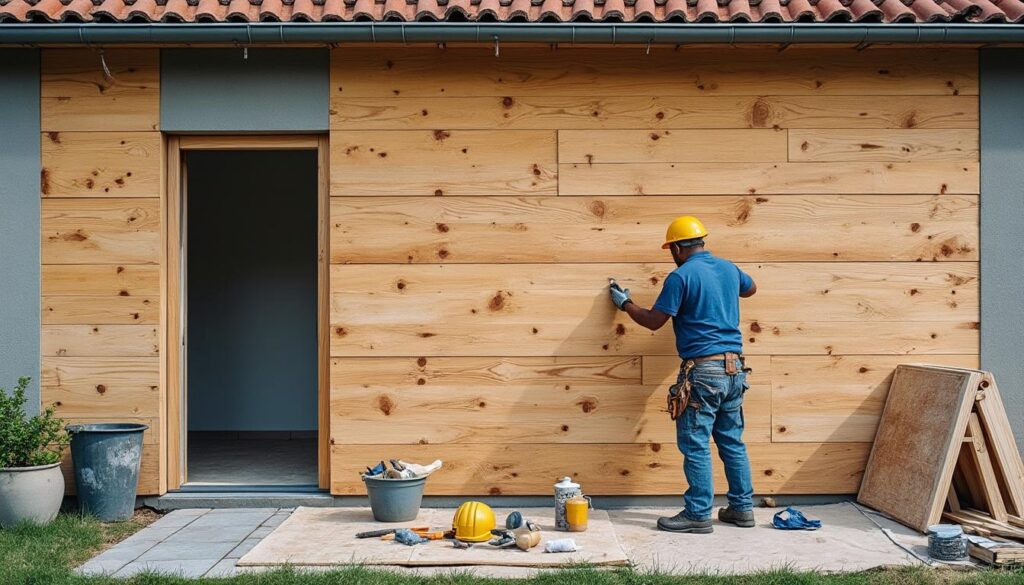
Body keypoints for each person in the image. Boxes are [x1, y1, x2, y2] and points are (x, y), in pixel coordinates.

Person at [609, 215, 757, 534]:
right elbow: (751, 288)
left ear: (676, 248)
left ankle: (698, 514)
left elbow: (652, 321)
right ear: (702, 241)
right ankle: (743, 509)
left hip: (703, 372)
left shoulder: (681, 277)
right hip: (734, 368)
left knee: (696, 443)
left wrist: (626, 304)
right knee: (732, 441)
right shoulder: (729, 268)